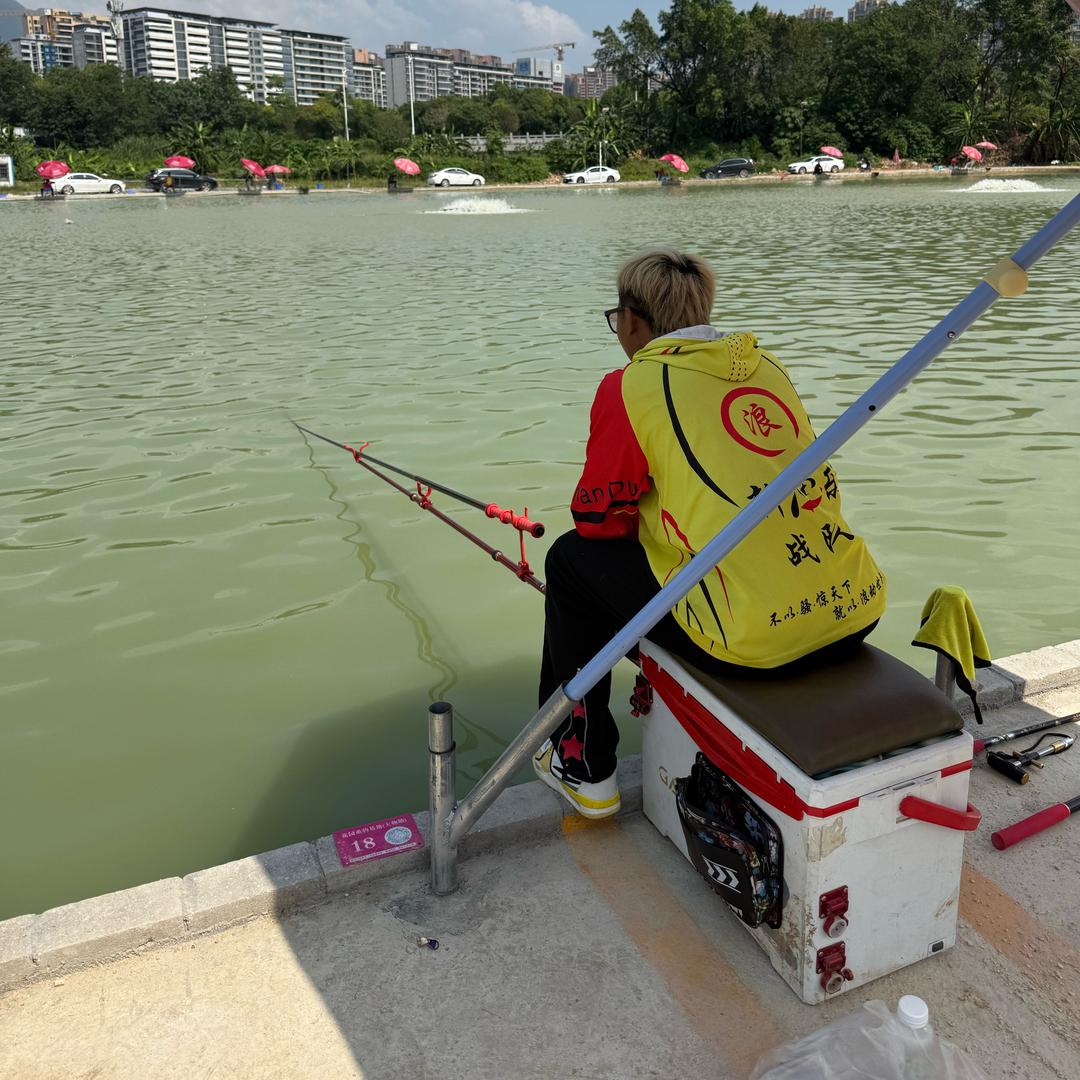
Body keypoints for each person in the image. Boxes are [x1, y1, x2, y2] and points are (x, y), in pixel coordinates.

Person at [534, 250, 887, 818]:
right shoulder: (766, 366)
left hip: (747, 640)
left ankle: (584, 767)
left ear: (632, 320)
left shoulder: (630, 384)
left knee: (570, 561)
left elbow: (597, 520)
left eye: (616, 318)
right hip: (854, 606)